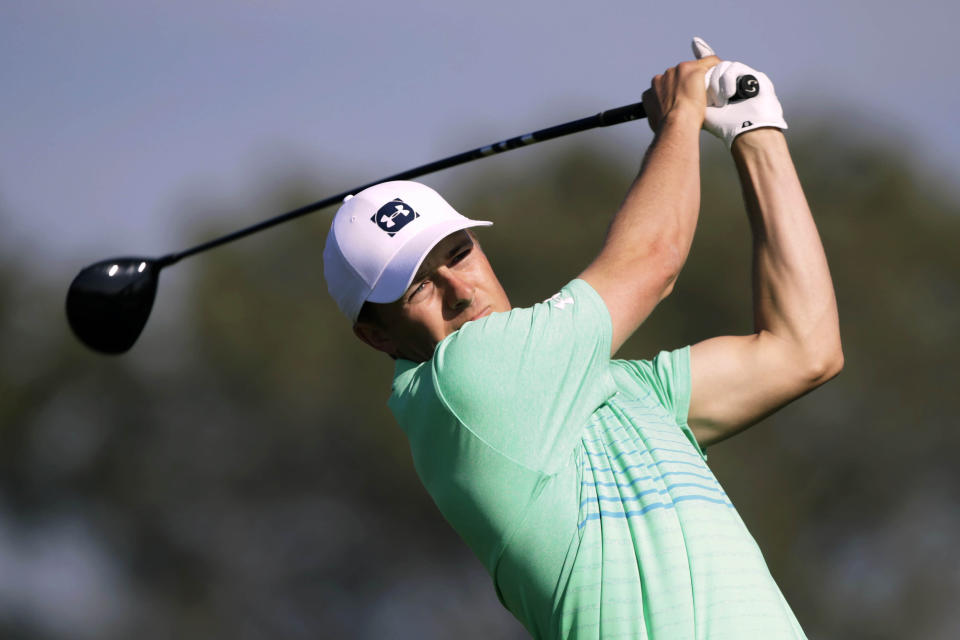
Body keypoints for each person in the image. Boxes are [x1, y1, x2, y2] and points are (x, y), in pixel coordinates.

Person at [322, 37, 841, 639]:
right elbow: (654, 260)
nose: (458, 289)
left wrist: (757, 130)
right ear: (375, 335)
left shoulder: (621, 389)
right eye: (416, 288)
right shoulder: (462, 385)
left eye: (459, 253)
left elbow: (805, 350)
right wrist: (680, 116)